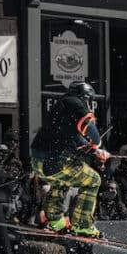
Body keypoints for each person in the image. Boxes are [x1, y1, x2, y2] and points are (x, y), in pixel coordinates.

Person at [29, 81, 108, 237]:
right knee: (93, 180)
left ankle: (54, 220)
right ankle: (82, 225)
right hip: (57, 161)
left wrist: (91, 148)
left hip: (38, 162)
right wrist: (97, 143)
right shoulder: (76, 103)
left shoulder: (61, 106)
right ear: (85, 96)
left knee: (62, 181)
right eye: (89, 100)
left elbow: (72, 135)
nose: (89, 103)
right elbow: (88, 126)